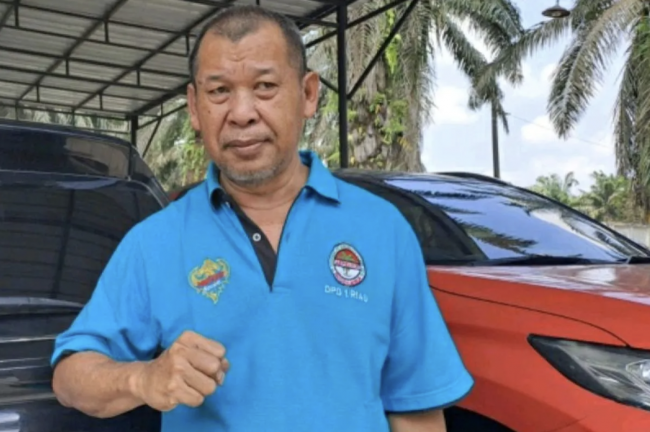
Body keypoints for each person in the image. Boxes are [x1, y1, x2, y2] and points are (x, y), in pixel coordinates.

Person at [50, 5, 474, 432]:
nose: (241, 113)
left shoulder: (382, 230)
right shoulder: (155, 241)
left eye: (265, 86)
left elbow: (415, 407)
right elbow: (70, 378)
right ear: (195, 107)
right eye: (219, 91)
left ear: (308, 94)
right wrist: (143, 378)